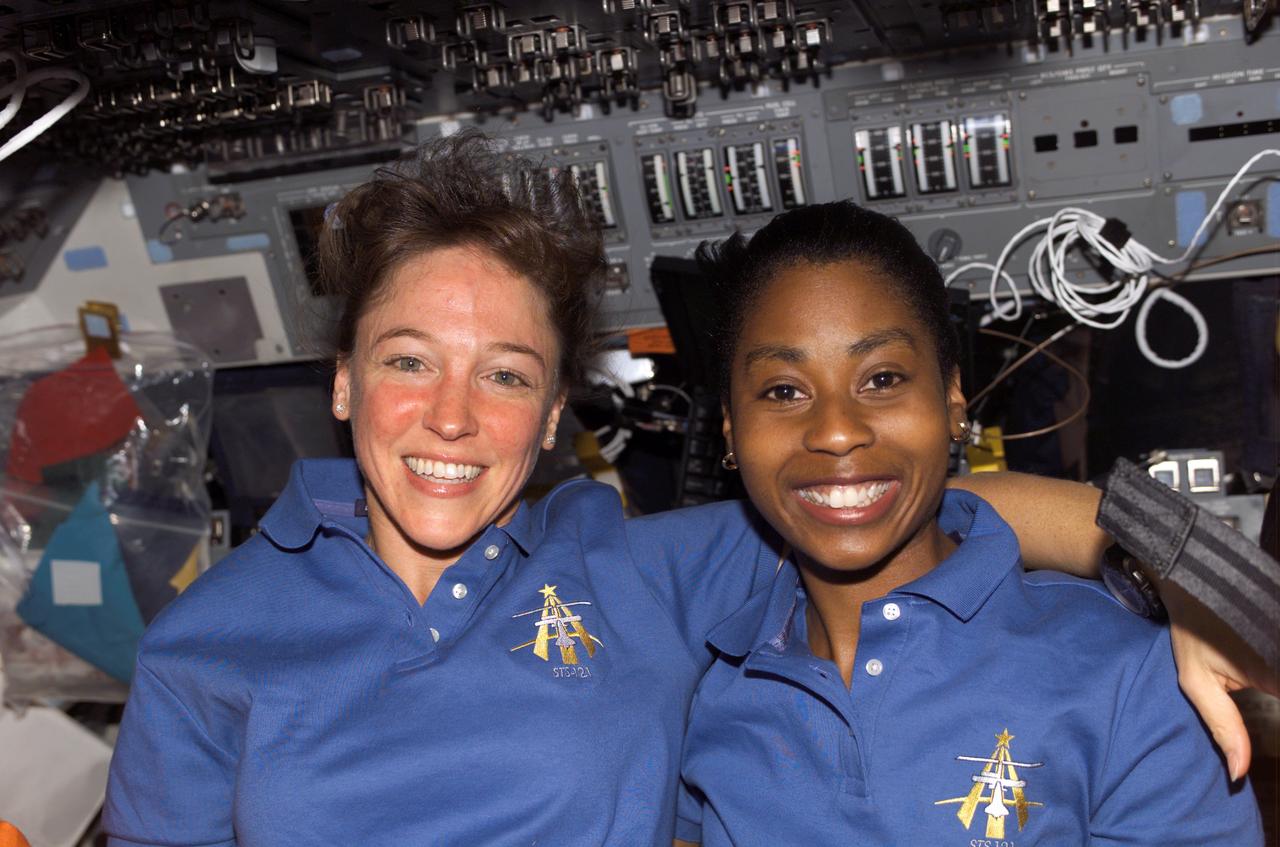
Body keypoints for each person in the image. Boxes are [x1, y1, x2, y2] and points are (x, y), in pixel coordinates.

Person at [102, 132, 1264, 846]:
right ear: (343, 381)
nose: (452, 415)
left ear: (555, 414)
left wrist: (1178, 571)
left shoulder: (619, 566)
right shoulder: (203, 647)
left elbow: (878, 499)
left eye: (505, 374)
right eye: (409, 360)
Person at [677, 201, 1263, 845]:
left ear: (953, 401)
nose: (837, 430)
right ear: (731, 431)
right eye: (784, 390)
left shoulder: (1125, 675)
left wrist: (1183, 565)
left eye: (882, 378)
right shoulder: (702, 694)